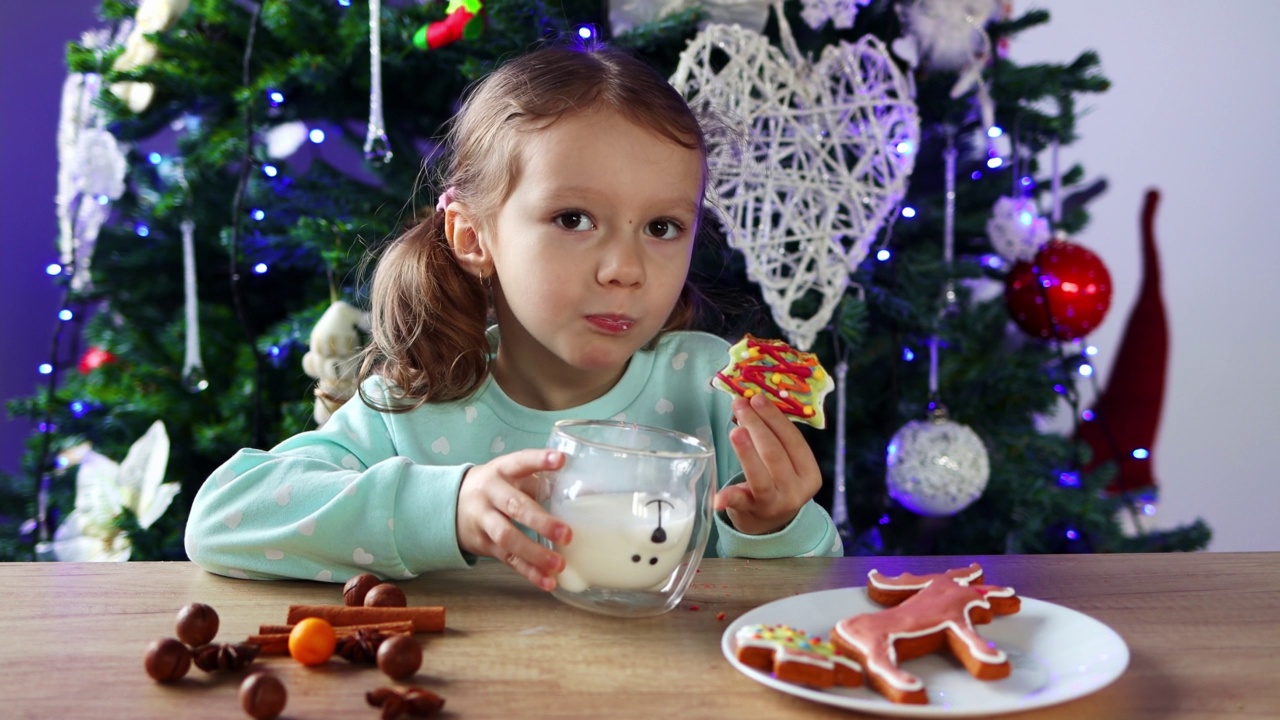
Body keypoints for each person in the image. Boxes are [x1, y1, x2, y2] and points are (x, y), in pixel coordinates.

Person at [185, 43, 842, 589]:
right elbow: (221, 519)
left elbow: (801, 603)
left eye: (663, 226)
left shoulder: (713, 395)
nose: (626, 268)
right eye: (573, 219)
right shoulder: (412, 409)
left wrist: (774, 526)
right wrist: (446, 506)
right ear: (473, 239)